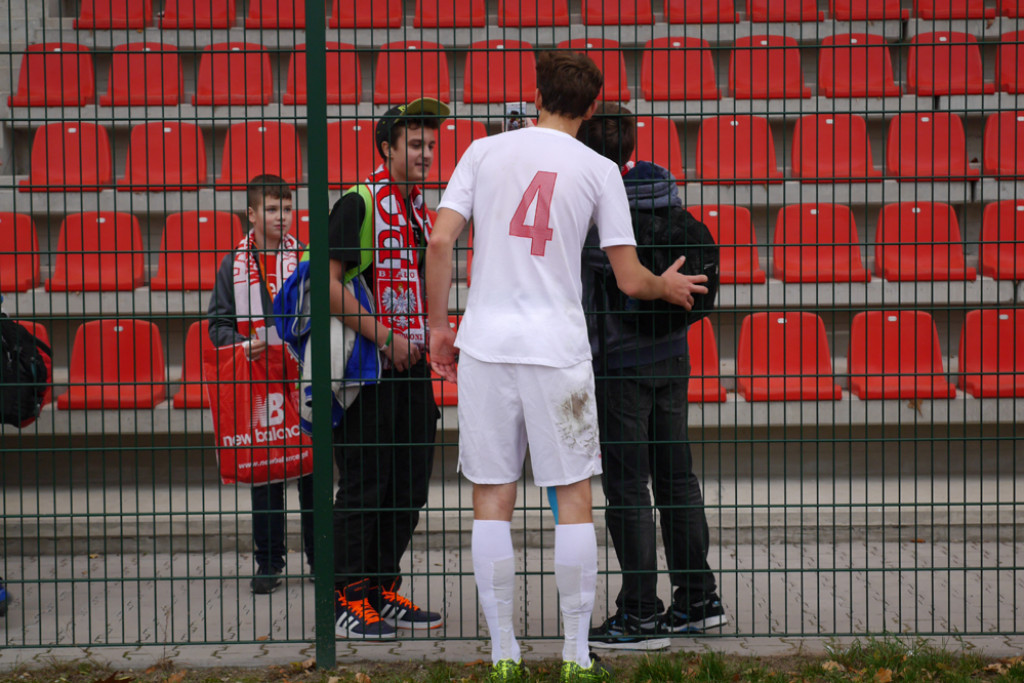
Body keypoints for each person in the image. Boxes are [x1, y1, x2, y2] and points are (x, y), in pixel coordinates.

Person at [425, 52, 709, 682]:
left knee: (492, 498)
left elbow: (440, 240)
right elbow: (631, 278)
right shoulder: (599, 169)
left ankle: (504, 653)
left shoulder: (483, 151)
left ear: (535, 94)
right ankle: (576, 654)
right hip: (558, 349)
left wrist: (440, 328)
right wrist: (666, 286)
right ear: (589, 107)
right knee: (574, 497)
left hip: (489, 345)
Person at [576, 104, 727, 650]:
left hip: (621, 364)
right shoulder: (665, 193)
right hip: (673, 357)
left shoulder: (600, 209)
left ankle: (638, 613)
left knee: (627, 488)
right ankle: (698, 598)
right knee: (677, 480)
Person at [326, 98, 446, 639]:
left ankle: (378, 587)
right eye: (415, 143)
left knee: (408, 484)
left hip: (412, 368)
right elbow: (327, 287)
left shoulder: (422, 209)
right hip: (369, 369)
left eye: (430, 143)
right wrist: (387, 336)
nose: (426, 152)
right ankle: (346, 596)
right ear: (387, 147)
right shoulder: (359, 202)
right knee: (365, 484)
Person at [208, 174, 315, 595]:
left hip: (300, 379)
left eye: (287, 208)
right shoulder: (231, 265)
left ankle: (318, 559)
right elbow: (217, 325)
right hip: (257, 383)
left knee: (311, 473)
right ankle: (269, 562)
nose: (282, 217)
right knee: (265, 475)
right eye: (272, 209)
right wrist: (241, 343)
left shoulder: (306, 256)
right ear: (250, 215)